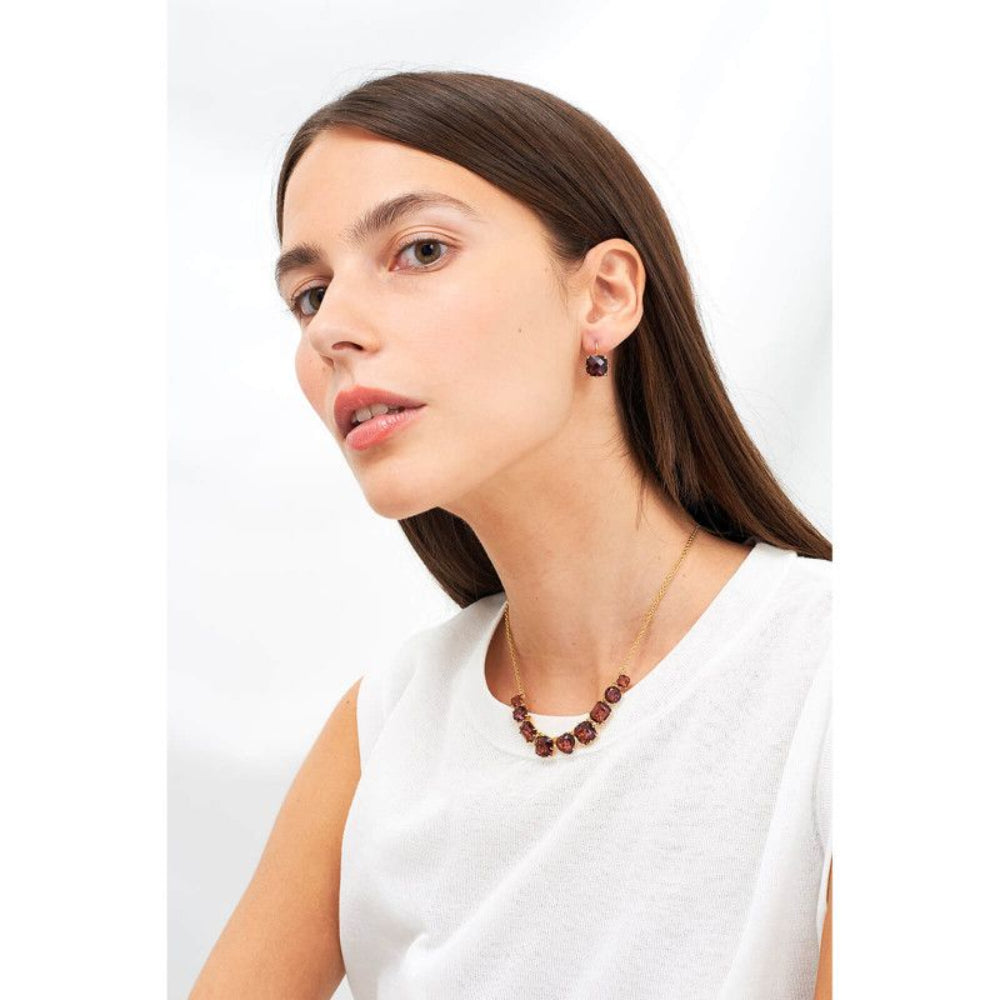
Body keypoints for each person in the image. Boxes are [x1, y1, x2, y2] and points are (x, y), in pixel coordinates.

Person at [190, 70, 832, 1000]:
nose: (332, 330)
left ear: (604, 295)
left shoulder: (839, 673)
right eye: (310, 294)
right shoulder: (386, 728)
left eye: (419, 251)